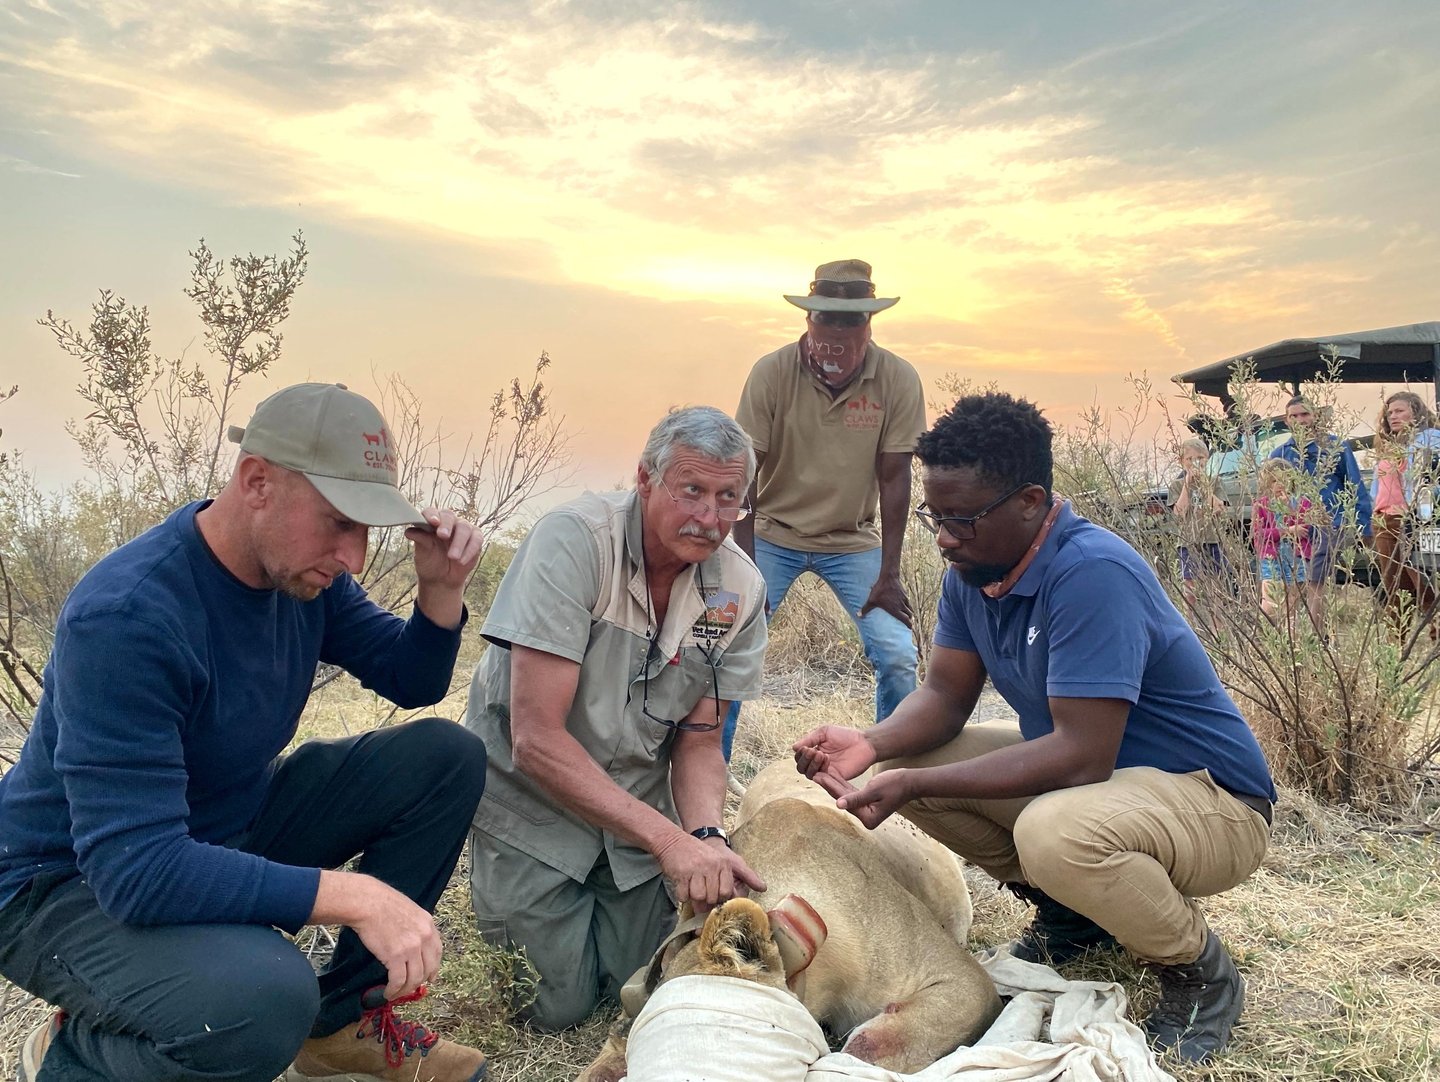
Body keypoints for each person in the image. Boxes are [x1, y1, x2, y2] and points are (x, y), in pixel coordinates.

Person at [0, 383, 490, 1082]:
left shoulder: (301, 576)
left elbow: (411, 680)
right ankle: (79, 1054)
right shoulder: (128, 617)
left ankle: (343, 1023)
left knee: (445, 757)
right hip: (64, 884)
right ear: (257, 481)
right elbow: (135, 871)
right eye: (338, 522)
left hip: (213, 830)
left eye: (367, 529)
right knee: (261, 1001)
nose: (354, 555)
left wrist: (440, 592)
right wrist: (355, 896)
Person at [793, 392, 1276, 1065]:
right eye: (937, 515)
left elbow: (1081, 756)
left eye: (964, 518)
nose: (944, 537)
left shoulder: (1091, 574)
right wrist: (872, 745)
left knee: (1052, 832)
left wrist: (908, 780)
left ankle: (1199, 972)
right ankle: (1074, 918)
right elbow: (942, 698)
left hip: (1212, 802)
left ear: (1029, 501)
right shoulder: (976, 571)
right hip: (1113, 787)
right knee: (925, 765)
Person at [465, 406, 768, 1031]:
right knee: (554, 1010)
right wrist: (668, 841)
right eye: (691, 491)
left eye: (727, 498)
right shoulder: (575, 541)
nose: (709, 518)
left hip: (634, 807)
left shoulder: (739, 587)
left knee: (649, 987)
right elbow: (536, 741)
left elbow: (701, 741)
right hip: (532, 805)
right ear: (645, 479)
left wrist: (706, 837)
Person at [728, 259, 926, 755]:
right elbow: (743, 477)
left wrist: (890, 574)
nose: (837, 331)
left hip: (852, 539)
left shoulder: (898, 379)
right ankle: (708, 779)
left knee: (898, 655)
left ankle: (892, 775)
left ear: (868, 324)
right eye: (826, 318)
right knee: (726, 650)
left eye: (850, 320)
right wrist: (746, 570)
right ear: (808, 319)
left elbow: (895, 476)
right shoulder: (772, 373)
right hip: (772, 533)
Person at [1268, 395, 1373, 630]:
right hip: (1293, 527)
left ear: (1315, 416)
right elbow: (1268, 496)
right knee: (1292, 583)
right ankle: (1288, 637)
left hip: (1328, 523)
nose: (1300, 420)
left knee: (1316, 581)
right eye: (1294, 416)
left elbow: (1354, 486)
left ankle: (1318, 636)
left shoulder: (1335, 447)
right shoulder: (1280, 455)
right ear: (1286, 420)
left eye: (1305, 414)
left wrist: (1364, 526)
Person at [1367, 390, 1440, 635]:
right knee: (1395, 585)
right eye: (1389, 413)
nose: (1393, 417)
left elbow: (1433, 479)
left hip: (1418, 520)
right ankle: (1395, 648)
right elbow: (1377, 485)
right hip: (1384, 519)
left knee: (1424, 579)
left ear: (1416, 412)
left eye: (1399, 411)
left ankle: (1435, 635)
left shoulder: (1431, 439)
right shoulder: (1388, 445)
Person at [1167, 437, 1229, 621]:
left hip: (1212, 540)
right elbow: (1178, 513)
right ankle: (1191, 624)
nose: (1196, 462)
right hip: (1188, 542)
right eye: (1190, 459)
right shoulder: (1177, 485)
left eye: (1200, 458)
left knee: (1216, 587)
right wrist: (1188, 483)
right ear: (1182, 461)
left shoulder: (1216, 481)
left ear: (1207, 459)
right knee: (1190, 586)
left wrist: (1204, 487)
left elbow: (1219, 509)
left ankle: (1219, 626)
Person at [1252, 458, 1314, 627]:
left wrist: (1289, 510)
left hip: (1296, 557)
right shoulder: (1261, 505)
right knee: (1270, 602)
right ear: (1267, 483)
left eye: (1283, 479)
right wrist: (1287, 531)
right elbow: (1258, 534)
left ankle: (1290, 642)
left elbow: (1306, 527)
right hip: (1271, 557)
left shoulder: (1302, 503)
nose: (1279, 484)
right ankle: (1262, 636)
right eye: (1274, 480)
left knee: (1292, 604)